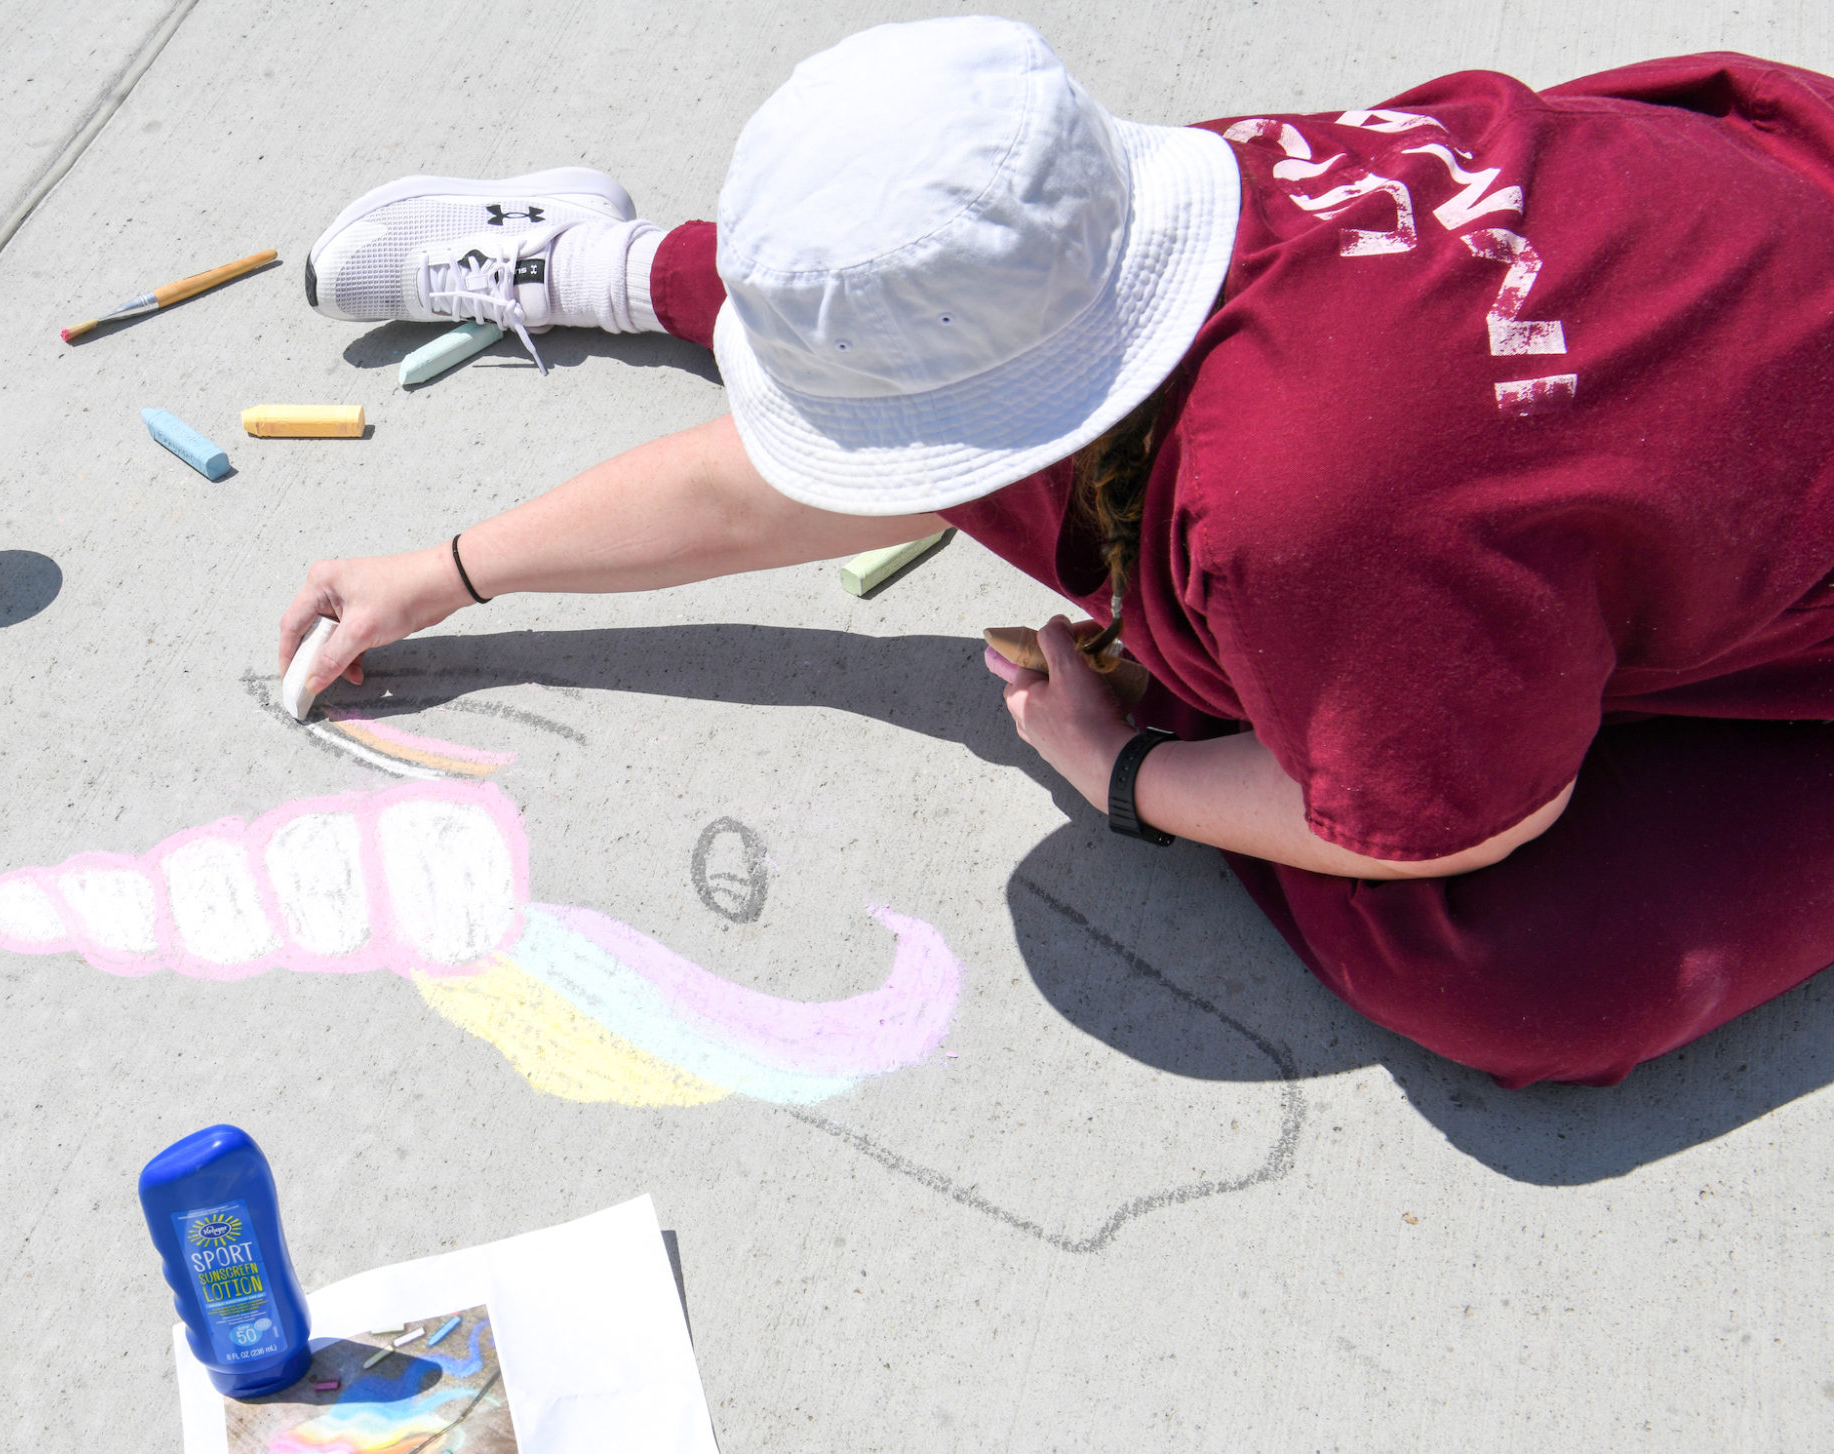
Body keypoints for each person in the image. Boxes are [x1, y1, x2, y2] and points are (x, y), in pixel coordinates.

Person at [280, 17, 1834, 1089]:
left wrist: (1126, 778)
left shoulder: (1308, 511)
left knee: (1514, 978)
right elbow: (828, 471)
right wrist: (454, 567)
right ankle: (611, 260)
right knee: (941, 361)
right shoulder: (1143, 211)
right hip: (1728, 251)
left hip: (1668, 482)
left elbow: (1459, 825)